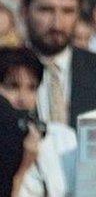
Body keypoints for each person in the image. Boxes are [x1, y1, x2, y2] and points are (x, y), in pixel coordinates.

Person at [0, 46, 76, 196]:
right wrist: (23, 166)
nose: (23, 98)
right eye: (12, 87)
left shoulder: (62, 137)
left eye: (32, 88)